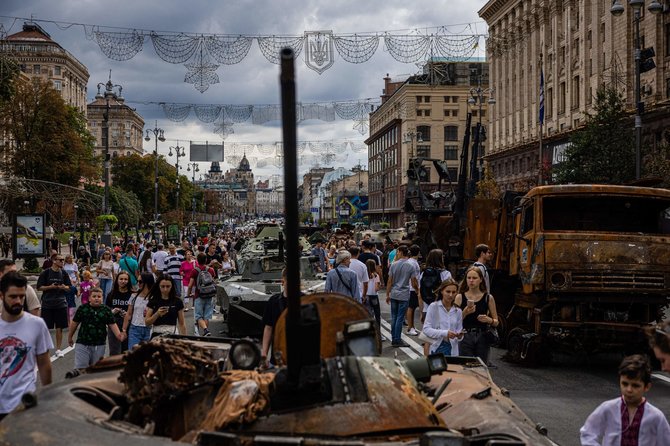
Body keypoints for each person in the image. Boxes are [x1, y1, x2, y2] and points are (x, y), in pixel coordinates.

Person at [579, 354, 670, 445]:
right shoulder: (608, 408)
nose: (629, 390)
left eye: (635, 385)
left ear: (647, 387)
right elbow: (588, 433)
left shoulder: (656, 417)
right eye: (625, 384)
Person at [0, 272, 52, 420]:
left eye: (22, 296)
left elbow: (44, 363)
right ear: (1, 296)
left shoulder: (36, 324)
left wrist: (47, 396)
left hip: (24, 403)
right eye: (13, 297)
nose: (18, 301)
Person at [67, 287, 124, 370]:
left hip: (99, 344)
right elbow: (75, 323)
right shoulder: (83, 309)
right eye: (94, 296)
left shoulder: (106, 310)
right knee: (81, 368)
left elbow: (112, 325)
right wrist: (70, 337)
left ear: (102, 298)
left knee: (96, 369)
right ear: (89, 298)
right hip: (83, 343)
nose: (96, 298)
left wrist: (120, 336)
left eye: (99, 296)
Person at [455, 266, 499, 365]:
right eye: (469, 278)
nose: (471, 281)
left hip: (482, 336)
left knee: (481, 368)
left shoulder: (488, 298)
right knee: (465, 367)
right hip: (465, 335)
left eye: (474, 278)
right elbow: (453, 322)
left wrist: (489, 320)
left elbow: (496, 322)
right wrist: (464, 313)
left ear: (481, 280)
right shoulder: (460, 297)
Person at [36, 253, 72, 356]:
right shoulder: (46, 273)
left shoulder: (64, 273)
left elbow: (69, 288)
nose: (62, 262)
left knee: (59, 327)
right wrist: (50, 287)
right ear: (54, 261)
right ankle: (44, 348)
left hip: (60, 303)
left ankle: (58, 349)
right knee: (46, 327)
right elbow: (39, 287)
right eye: (60, 260)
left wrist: (63, 287)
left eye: (62, 260)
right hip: (47, 303)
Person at [422, 279, 464, 356]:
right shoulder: (433, 307)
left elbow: (459, 331)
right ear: (442, 291)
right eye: (448, 291)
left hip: (453, 351)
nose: (451, 295)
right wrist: (445, 333)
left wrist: (460, 336)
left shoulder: (458, 311)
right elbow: (426, 329)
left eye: (454, 292)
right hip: (436, 348)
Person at [386, 245, 414, 348]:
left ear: (401, 252)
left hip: (394, 293)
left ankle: (394, 338)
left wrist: (387, 294)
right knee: (400, 317)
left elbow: (390, 281)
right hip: (404, 294)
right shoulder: (410, 266)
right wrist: (418, 290)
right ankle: (397, 339)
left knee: (394, 316)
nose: (397, 253)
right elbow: (414, 281)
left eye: (398, 252)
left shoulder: (393, 265)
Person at [261, 268, 288, 368]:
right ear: (283, 282)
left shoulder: (305, 301)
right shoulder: (274, 301)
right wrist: (264, 353)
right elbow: (268, 328)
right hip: (277, 358)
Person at [187, 253, 217, 337]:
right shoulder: (211, 270)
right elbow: (213, 282)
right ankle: (205, 333)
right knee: (207, 316)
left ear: (197, 260)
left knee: (198, 316)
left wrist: (188, 293)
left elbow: (190, 285)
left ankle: (205, 330)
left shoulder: (195, 270)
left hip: (199, 295)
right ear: (206, 260)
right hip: (210, 295)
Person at [122, 272, 155, 349]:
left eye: (140, 281)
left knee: (147, 356)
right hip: (134, 329)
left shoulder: (154, 298)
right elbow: (129, 314)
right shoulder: (134, 296)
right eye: (137, 281)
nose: (138, 283)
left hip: (149, 329)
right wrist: (123, 330)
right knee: (133, 354)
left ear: (147, 282)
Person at [420, 249, 452, 323]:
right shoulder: (446, 274)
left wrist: (421, 312)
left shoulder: (424, 274)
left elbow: (420, 293)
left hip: (426, 308)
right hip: (441, 308)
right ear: (441, 259)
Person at [105, 271, 132, 355]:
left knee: (126, 349)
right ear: (117, 280)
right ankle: (114, 366)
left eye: (125, 279)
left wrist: (128, 314)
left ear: (128, 281)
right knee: (114, 350)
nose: (123, 281)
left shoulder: (132, 294)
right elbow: (106, 310)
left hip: (128, 324)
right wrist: (112, 311)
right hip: (114, 323)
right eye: (121, 279)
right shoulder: (111, 294)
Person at [405, 245, 423, 336]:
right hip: (413, 288)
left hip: (410, 287)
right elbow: (414, 279)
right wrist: (417, 289)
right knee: (411, 308)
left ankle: (411, 326)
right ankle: (410, 327)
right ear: (418, 252)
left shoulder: (409, 261)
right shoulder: (414, 263)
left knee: (411, 307)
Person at [364, 259, 381, 335]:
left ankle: (368, 331)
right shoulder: (376, 275)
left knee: (368, 314)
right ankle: (377, 332)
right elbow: (376, 288)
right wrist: (379, 285)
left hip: (366, 295)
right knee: (377, 315)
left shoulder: (364, 275)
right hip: (374, 295)